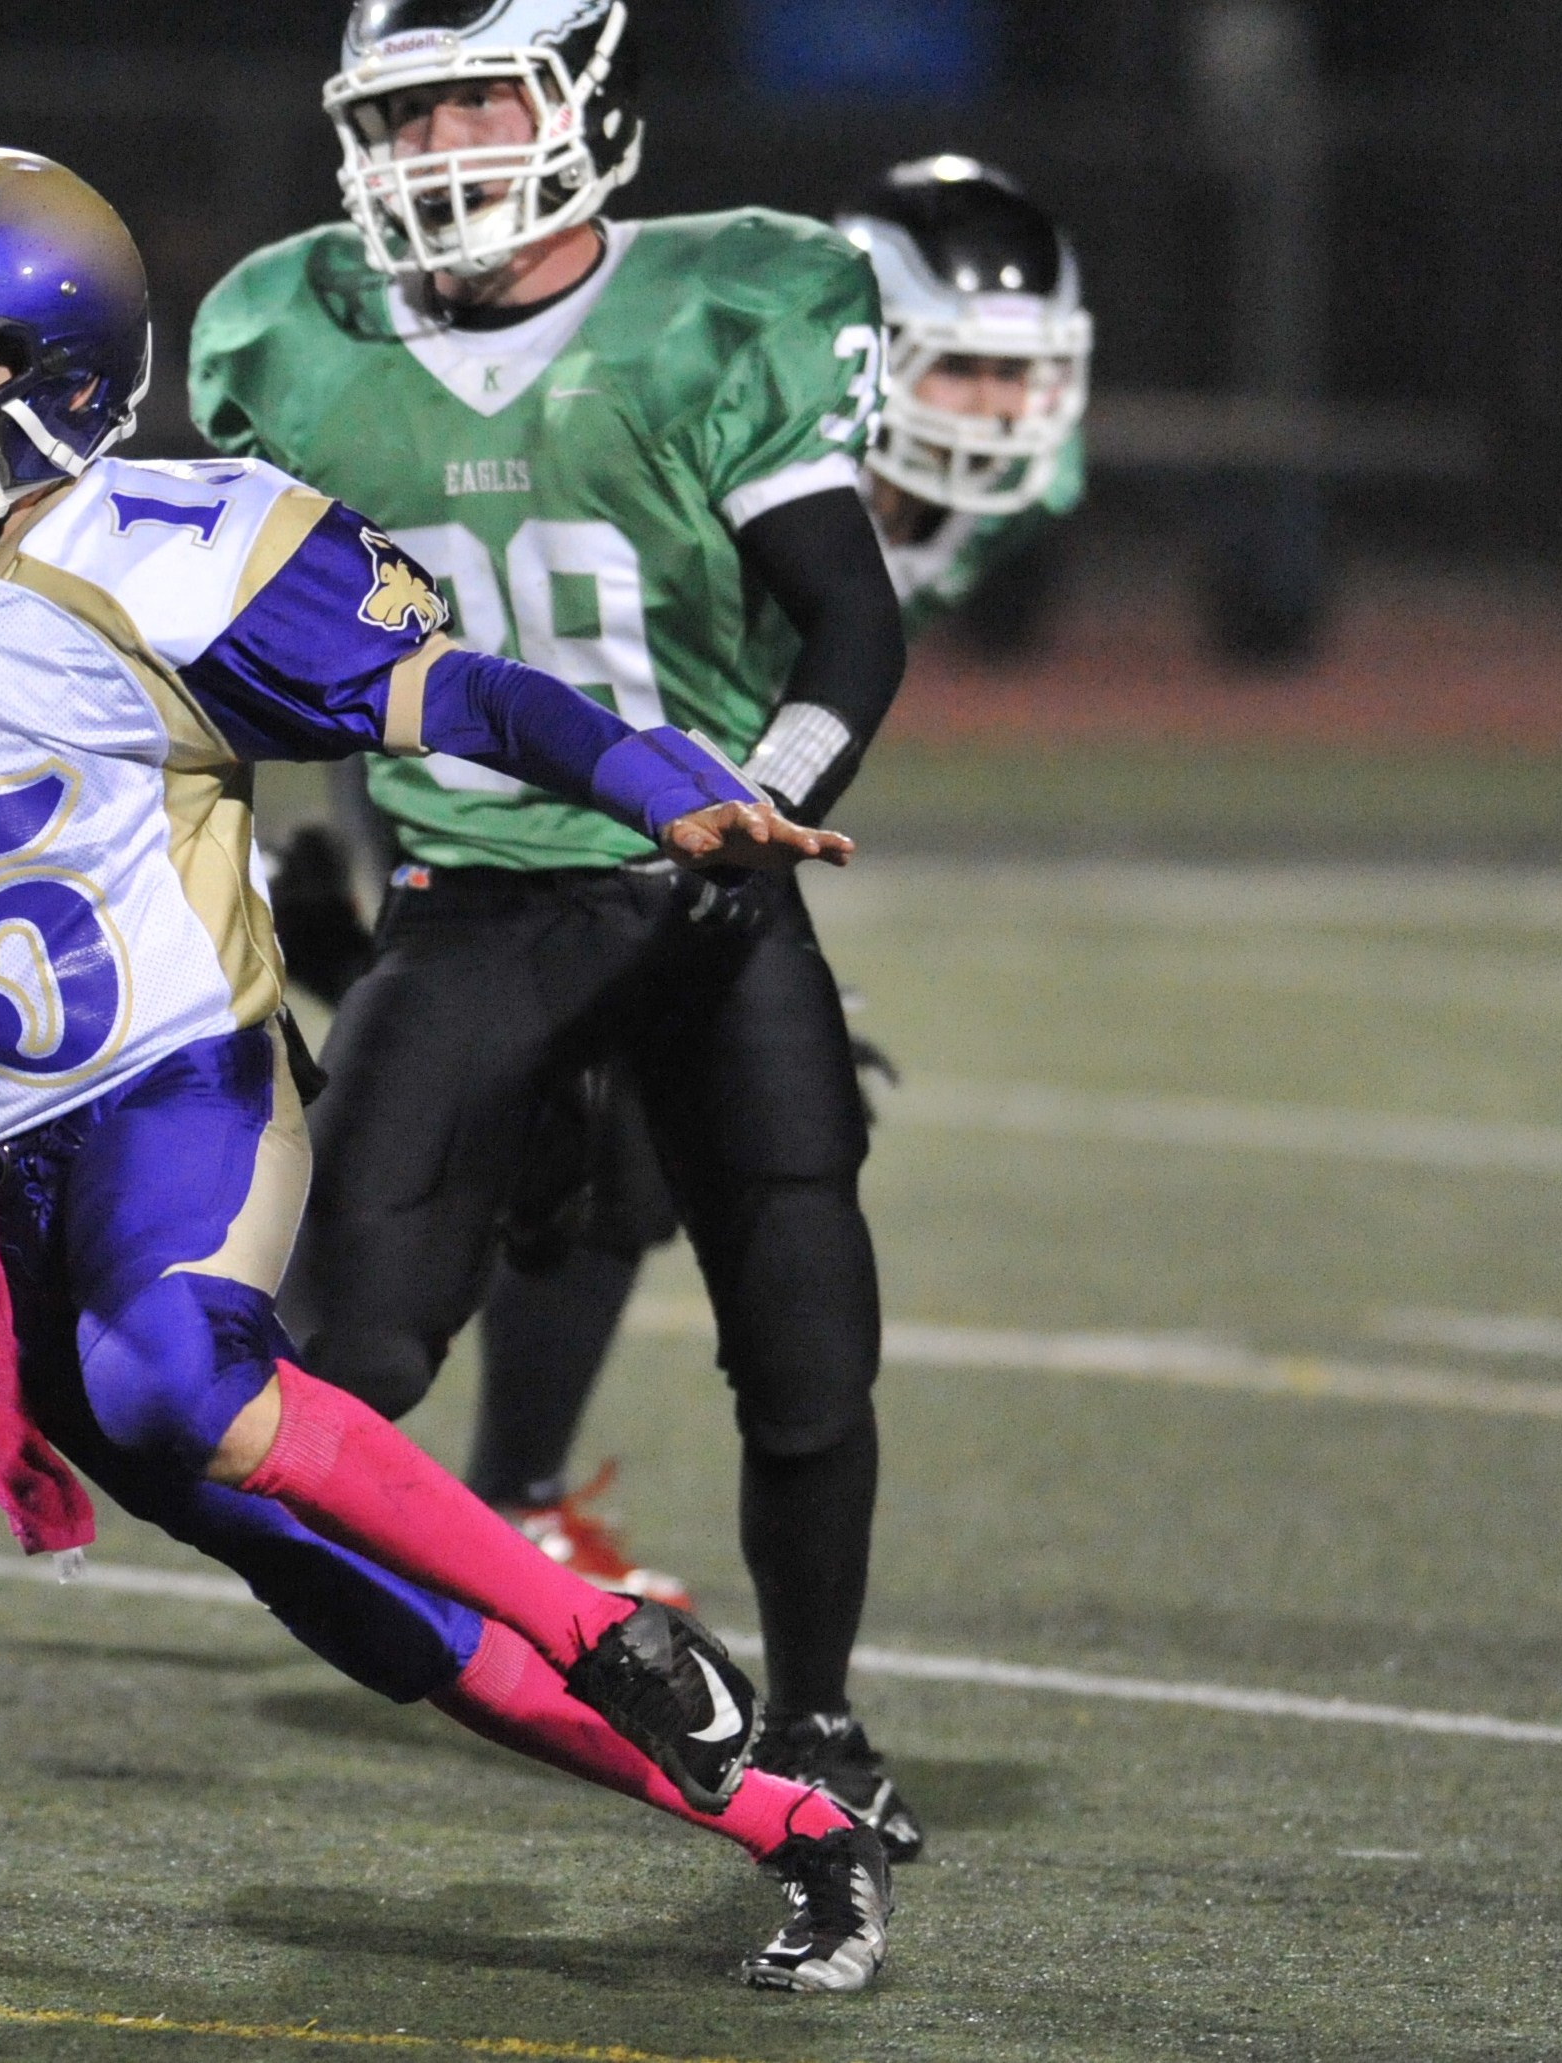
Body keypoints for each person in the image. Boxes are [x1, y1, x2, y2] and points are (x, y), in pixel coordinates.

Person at [0, 146, 893, 1993]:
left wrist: (656, 776)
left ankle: (603, 1628)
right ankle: (786, 1830)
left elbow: (471, 698)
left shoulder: (177, 557)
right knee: (330, 1588)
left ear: (71, 374)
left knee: (176, 1369)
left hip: (164, 1089)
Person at [189, 0, 926, 1860]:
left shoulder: (727, 305)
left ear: (577, 97)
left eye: (475, 99)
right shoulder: (293, 336)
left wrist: (763, 803)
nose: (441, 144)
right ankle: (526, 1638)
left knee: (802, 1335)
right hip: (471, 889)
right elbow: (232, 660)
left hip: (701, 883)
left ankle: (819, 1714)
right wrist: (275, 894)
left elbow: (849, 617)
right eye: (408, 109)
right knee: (327, 1356)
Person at [392, 154, 1097, 1855]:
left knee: (659, 1179)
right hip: (495, 824)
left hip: (686, 851)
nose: (990, 407)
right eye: (955, 366)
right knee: (576, 1169)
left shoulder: (968, 499)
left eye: (1017, 372)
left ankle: (520, 1503)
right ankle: (471, 1511)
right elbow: (490, 653)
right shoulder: (732, 421)